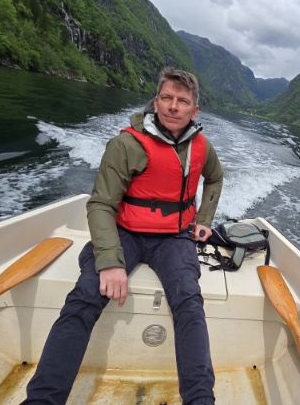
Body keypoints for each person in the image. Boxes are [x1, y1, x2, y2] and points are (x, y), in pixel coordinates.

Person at [22, 68, 223, 405]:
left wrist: (204, 219)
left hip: (174, 238)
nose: (173, 106)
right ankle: (42, 400)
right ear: (156, 102)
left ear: (194, 110)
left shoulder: (202, 147)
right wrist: (110, 262)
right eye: (167, 98)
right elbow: (101, 204)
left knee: (189, 302)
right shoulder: (126, 144)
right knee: (85, 297)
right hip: (125, 233)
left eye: (182, 101)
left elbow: (215, 178)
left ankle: (201, 400)